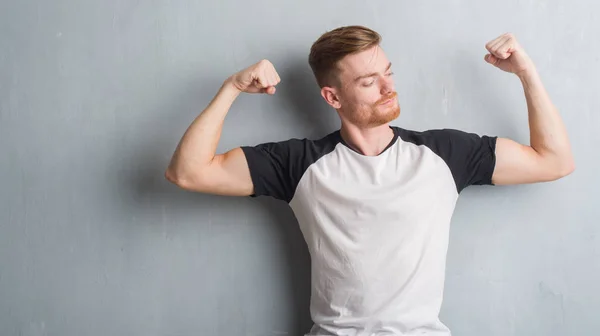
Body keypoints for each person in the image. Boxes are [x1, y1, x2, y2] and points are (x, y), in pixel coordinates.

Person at [165, 25, 574, 336]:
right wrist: (232, 87)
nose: (388, 87)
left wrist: (526, 72)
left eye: (388, 73)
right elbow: (188, 171)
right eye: (368, 82)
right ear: (333, 97)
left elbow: (553, 161)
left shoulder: (445, 155)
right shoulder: (300, 163)